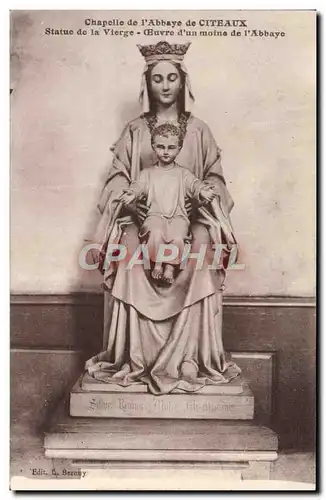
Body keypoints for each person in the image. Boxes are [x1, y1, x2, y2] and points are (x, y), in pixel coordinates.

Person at [85, 41, 241, 395]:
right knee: (125, 243)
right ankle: (132, 358)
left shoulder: (199, 130)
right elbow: (118, 178)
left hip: (190, 218)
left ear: (183, 82)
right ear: (147, 84)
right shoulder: (135, 130)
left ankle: (190, 357)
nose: (166, 86)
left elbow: (215, 177)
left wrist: (205, 196)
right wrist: (128, 202)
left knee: (202, 242)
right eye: (158, 79)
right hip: (142, 219)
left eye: (172, 78)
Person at [118, 122, 219, 284]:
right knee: (155, 232)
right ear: (153, 146)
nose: (165, 152)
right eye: (160, 146)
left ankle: (170, 266)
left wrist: (203, 191)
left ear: (179, 148)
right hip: (154, 215)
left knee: (178, 235)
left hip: (178, 216)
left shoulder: (183, 174)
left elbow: (194, 185)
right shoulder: (147, 173)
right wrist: (131, 194)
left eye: (171, 147)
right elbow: (138, 186)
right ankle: (157, 263)